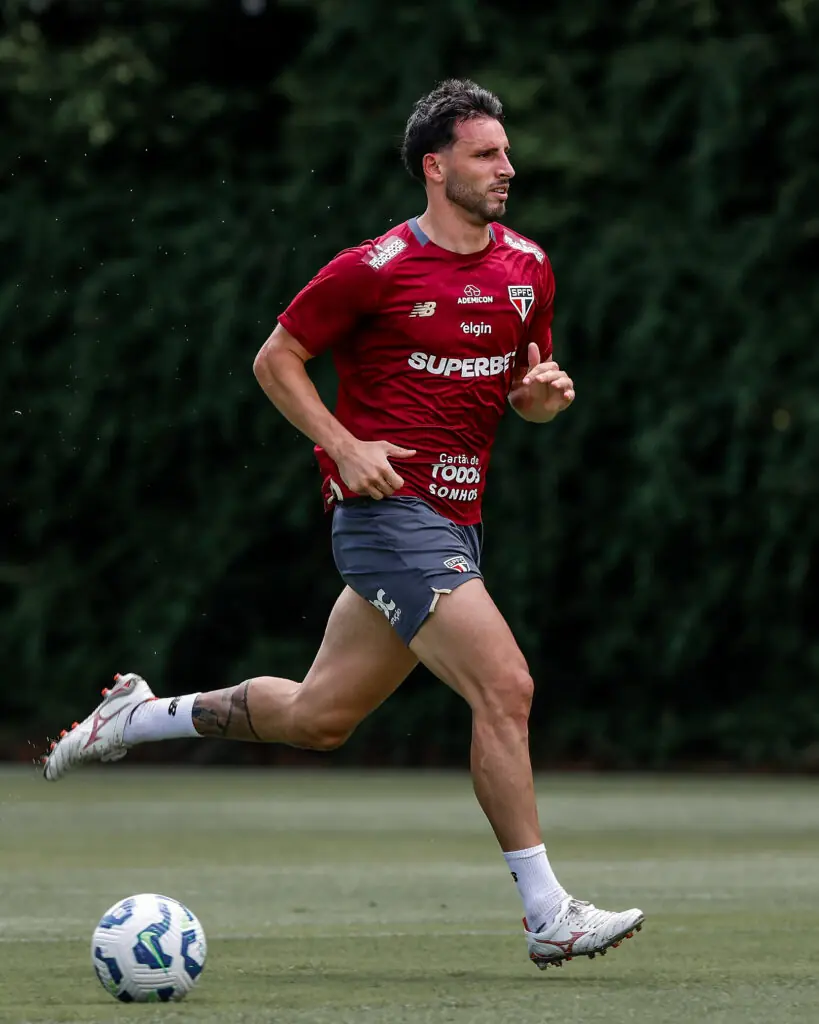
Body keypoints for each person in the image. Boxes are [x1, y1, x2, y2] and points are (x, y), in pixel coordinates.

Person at [42, 78, 644, 969]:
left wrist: (538, 400)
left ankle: (139, 716)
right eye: (485, 154)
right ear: (434, 167)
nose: (506, 167)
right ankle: (546, 913)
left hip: (455, 520)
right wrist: (342, 444)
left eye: (506, 152)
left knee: (319, 718)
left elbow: (524, 391)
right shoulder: (374, 267)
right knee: (505, 686)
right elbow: (275, 359)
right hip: (383, 516)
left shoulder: (527, 266)